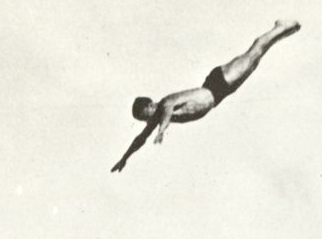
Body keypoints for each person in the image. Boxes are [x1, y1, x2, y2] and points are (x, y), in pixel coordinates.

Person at [111, 20, 301, 172]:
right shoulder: (156, 117)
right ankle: (280, 32)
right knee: (255, 61)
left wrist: (161, 130)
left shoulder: (165, 103)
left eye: (147, 116)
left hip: (218, 83)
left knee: (253, 54)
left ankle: (279, 27)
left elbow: (168, 111)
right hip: (219, 95)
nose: (148, 121)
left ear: (151, 105)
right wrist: (124, 158)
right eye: (145, 120)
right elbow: (140, 138)